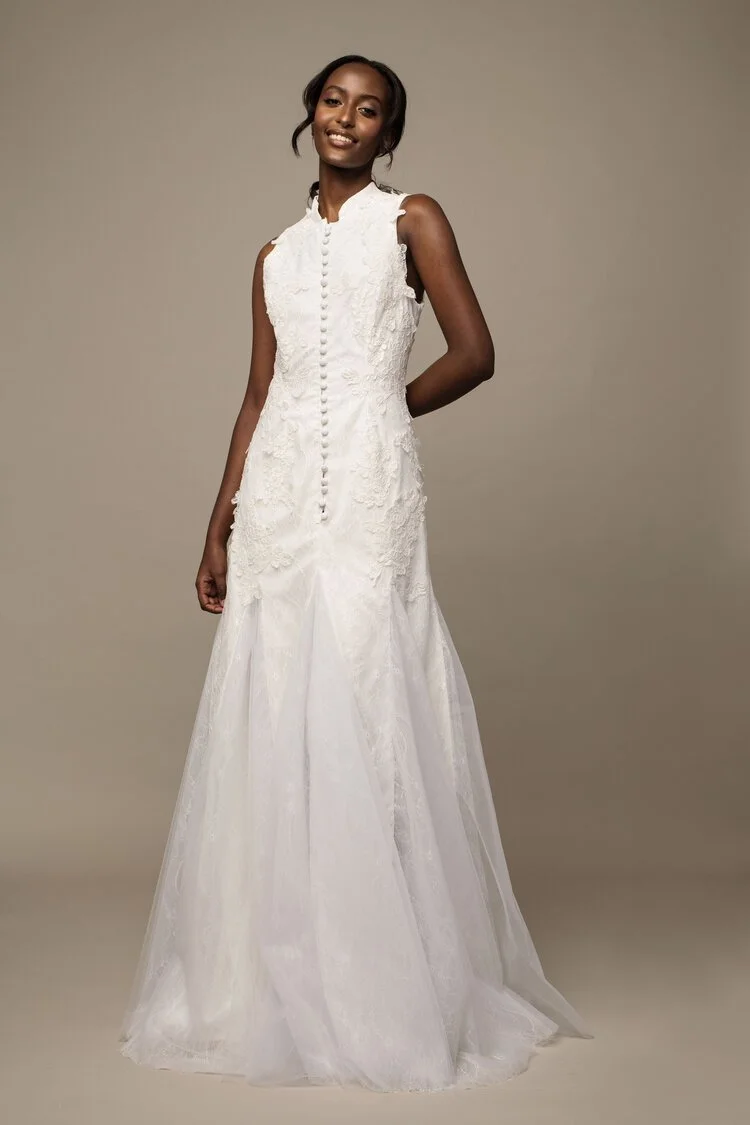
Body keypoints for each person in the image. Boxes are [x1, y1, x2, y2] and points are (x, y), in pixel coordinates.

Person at [119, 53, 592, 1094]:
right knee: (275, 702)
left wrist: (384, 407)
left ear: (388, 133)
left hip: (369, 491)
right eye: (333, 101)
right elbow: (258, 395)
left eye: (369, 109)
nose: (347, 118)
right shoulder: (273, 256)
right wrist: (217, 527)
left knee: (373, 689)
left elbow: (476, 351)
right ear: (308, 116)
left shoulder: (411, 219)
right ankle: (279, 981)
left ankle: (390, 978)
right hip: (278, 498)